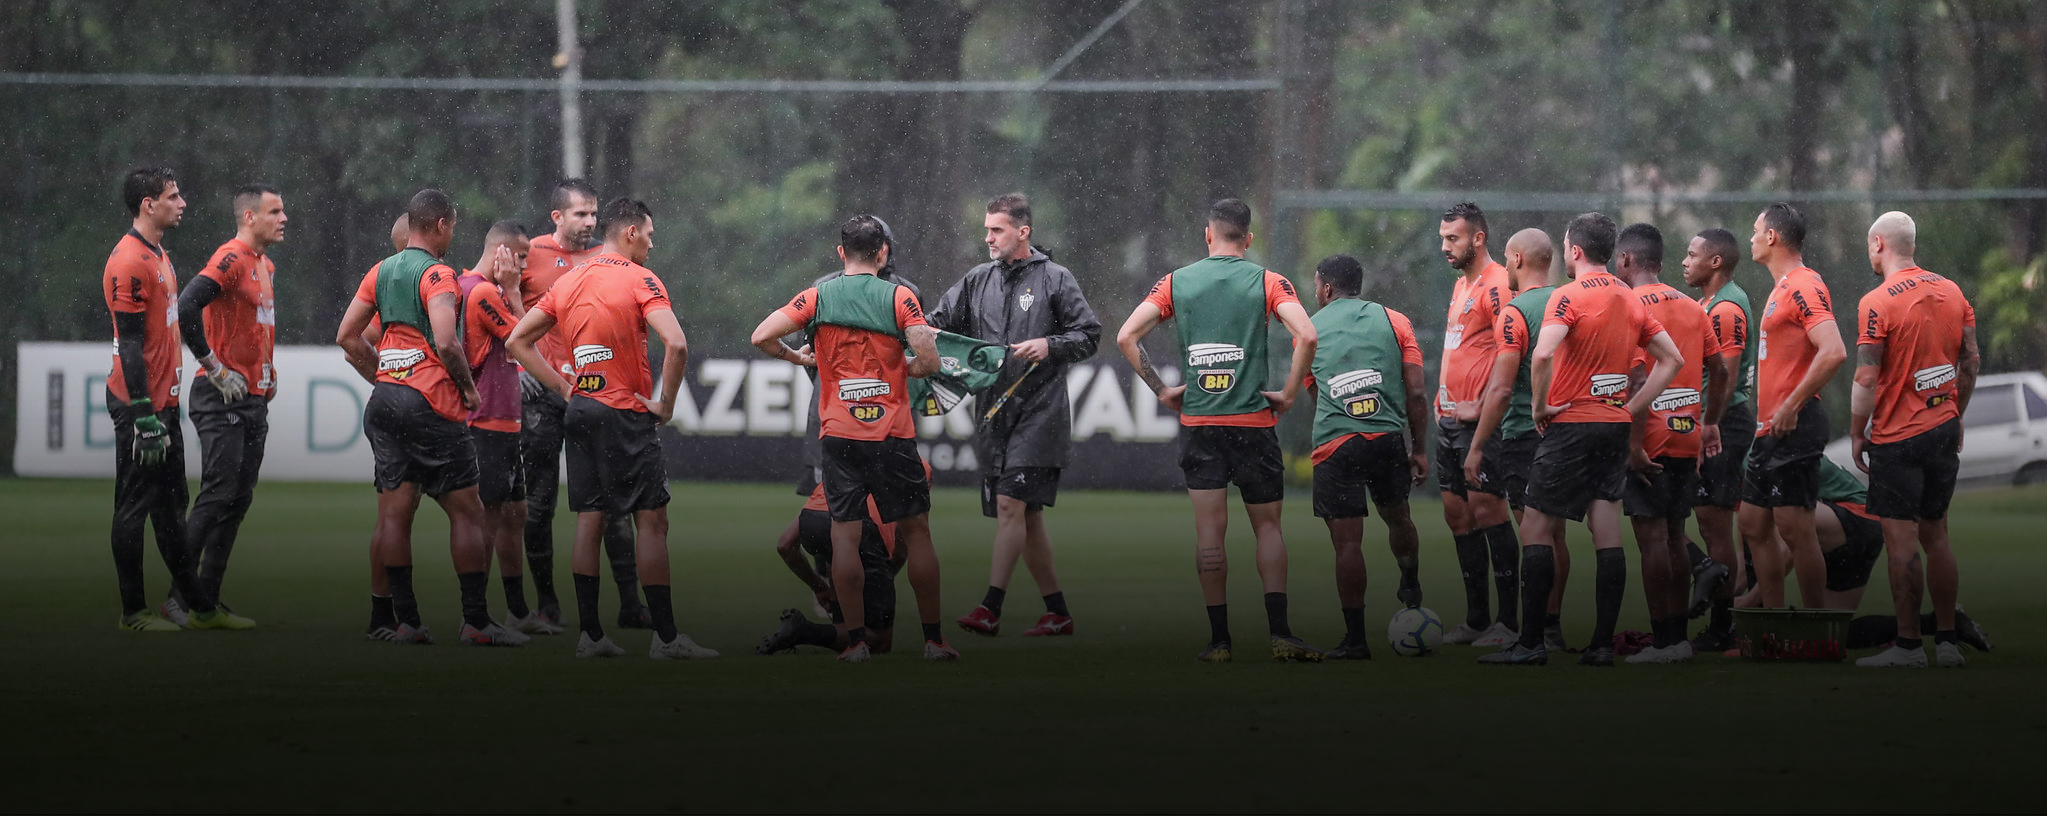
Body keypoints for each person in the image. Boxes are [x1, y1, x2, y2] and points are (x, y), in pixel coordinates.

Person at [506, 197, 716, 660]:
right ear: (630, 234)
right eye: (650, 235)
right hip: (624, 412)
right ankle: (665, 639)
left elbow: (517, 340)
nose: (652, 244)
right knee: (652, 522)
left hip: (581, 410)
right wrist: (665, 404)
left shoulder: (569, 280)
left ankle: (591, 636)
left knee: (590, 519)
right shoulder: (640, 278)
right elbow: (677, 344)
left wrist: (564, 388)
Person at [1115, 198, 1321, 663]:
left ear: (1208, 234)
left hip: (1200, 423)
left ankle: (1220, 642)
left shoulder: (1175, 281)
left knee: (1210, 531)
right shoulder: (1269, 281)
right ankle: (1280, 634)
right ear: (1248, 238)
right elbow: (1307, 335)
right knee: (1268, 528)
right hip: (1252, 422)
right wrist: (1288, 394)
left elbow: (1126, 336)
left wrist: (1164, 391)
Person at [749, 214, 957, 663]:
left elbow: (761, 336)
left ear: (841, 253)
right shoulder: (900, 296)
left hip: (839, 433)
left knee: (844, 539)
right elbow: (930, 360)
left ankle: (857, 642)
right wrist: (899, 370)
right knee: (917, 535)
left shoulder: (817, 295)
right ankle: (934, 641)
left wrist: (799, 359)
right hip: (891, 433)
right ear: (882, 253)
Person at [1480, 212, 1683, 667]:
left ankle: (1530, 643)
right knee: (1606, 528)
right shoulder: (1630, 298)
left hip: (1570, 424)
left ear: (1573, 250)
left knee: (1535, 527)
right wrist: (1629, 409)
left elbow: (1545, 351)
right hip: (1613, 428)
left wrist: (1538, 406)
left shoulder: (1566, 296)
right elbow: (1671, 359)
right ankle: (1601, 646)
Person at [335, 188, 517, 647]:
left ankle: (407, 621)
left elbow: (347, 336)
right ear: (440, 225)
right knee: (468, 512)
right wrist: (469, 389)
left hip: (386, 402)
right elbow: (446, 341)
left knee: (395, 516)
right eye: (452, 225)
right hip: (431, 402)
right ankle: (475, 622)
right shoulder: (439, 274)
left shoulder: (380, 271)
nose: (453, 233)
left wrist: (385, 377)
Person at [933, 193, 1102, 638]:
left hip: (1040, 414)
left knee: (1011, 505)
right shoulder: (976, 280)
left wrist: (1050, 345)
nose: (987, 237)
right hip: (991, 415)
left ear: (1023, 232)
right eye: (987, 229)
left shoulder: (1056, 278)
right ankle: (1058, 612)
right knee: (1027, 517)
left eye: (996, 230)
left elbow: (1089, 335)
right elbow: (935, 324)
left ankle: (990, 607)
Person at [103, 166, 249, 632]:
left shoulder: (158, 253)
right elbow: (128, 344)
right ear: (148, 204)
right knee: (133, 506)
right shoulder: (129, 261)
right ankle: (133, 613)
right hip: (138, 408)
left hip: (163, 406)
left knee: (170, 508)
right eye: (173, 195)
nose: (182, 202)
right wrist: (143, 415)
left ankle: (199, 608)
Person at [1847, 211, 1979, 669]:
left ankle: (1907, 648)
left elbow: (1866, 374)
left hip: (1897, 437)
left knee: (1901, 542)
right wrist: (1956, 413)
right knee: (1937, 536)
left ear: (1879, 244)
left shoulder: (1877, 301)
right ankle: (1945, 642)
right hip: (1943, 427)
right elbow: (1971, 359)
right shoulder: (1952, 291)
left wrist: (1855, 431)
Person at [517, 179, 648, 631]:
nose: (590, 222)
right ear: (556, 217)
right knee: (540, 505)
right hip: (545, 399)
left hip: (593, 394)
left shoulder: (605, 257)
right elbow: (496, 310)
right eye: (580, 214)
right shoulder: (526, 253)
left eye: (594, 214)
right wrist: (523, 373)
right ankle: (547, 604)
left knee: (612, 504)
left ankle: (631, 605)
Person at [162, 183, 286, 625]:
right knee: (217, 495)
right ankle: (179, 597)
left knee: (237, 499)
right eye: (274, 211)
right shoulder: (231, 257)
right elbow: (187, 304)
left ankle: (206, 603)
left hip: (253, 397)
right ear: (250, 217)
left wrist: (267, 371)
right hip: (219, 396)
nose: (283, 218)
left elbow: (256, 328)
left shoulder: (265, 264)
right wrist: (213, 365)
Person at [1613, 224, 1732, 664]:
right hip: (1687, 434)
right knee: (1678, 535)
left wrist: (1632, 442)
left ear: (1625, 260)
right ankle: (1679, 639)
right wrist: (1710, 421)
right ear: (1659, 262)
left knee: (1651, 541)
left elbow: (1638, 378)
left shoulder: (1626, 305)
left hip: (1647, 439)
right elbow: (1719, 371)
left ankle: (1662, 642)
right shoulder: (1693, 306)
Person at [1301, 254, 1427, 659]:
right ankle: (1409, 576)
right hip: (1387, 438)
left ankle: (1355, 640)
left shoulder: (1307, 328)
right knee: (1399, 516)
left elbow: (1313, 390)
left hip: (1337, 444)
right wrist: (1419, 447)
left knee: (1347, 544)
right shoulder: (1396, 320)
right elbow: (1417, 392)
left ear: (1324, 287)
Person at [1466, 228, 1568, 651]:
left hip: (1527, 433)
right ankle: (1551, 626)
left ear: (1518, 260)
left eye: (1507, 260)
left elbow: (1503, 389)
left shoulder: (1516, 310)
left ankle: (1530, 636)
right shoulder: (1570, 300)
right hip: (1568, 430)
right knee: (1556, 535)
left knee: (1534, 534)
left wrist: (1476, 446)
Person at [1741, 203, 1846, 608]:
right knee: (1751, 522)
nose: (1751, 237)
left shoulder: (1803, 284)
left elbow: (1833, 351)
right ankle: (1771, 621)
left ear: (1772, 237)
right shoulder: (1782, 284)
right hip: (1770, 428)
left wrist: (1791, 405)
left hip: (1794, 424)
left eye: (1756, 230)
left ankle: (1816, 628)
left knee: (1794, 529)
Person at [457, 222, 558, 635]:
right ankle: (476, 618)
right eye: (518, 258)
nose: (521, 267)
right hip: (487, 422)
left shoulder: (468, 285)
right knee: (489, 517)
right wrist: (515, 293)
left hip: (503, 419)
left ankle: (517, 611)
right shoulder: (482, 291)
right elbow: (525, 338)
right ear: (500, 253)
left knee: (515, 513)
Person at [1432, 203, 1521, 647]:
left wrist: (1483, 406)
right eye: (1444, 237)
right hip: (1448, 419)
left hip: (1480, 424)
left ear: (1478, 238)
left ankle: (1508, 623)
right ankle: (1476, 620)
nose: (1445, 245)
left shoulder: (1500, 283)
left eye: (1454, 238)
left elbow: (1511, 351)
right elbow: (1460, 348)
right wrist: (1441, 395)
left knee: (1489, 510)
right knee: (1457, 514)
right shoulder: (1460, 284)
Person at [755, 461, 932, 656]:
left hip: (814, 521)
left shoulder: (844, 459)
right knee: (879, 642)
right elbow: (907, 535)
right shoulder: (915, 464)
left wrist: (819, 587)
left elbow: (785, 545)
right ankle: (804, 631)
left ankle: (834, 629)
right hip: (863, 529)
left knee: (847, 619)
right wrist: (883, 578)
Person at [1679, 227, 1756, 652]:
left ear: (1715, 262)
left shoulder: (1726, 308)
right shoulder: (1705, 302)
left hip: (1722, 423)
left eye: (1691, 255)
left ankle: (1724, 627)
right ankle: (1708, 580)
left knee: (1714, 524)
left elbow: (1724, 378)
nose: (1684, 262)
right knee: (1700, 521)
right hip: (1708, 420)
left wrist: (1708, 424)